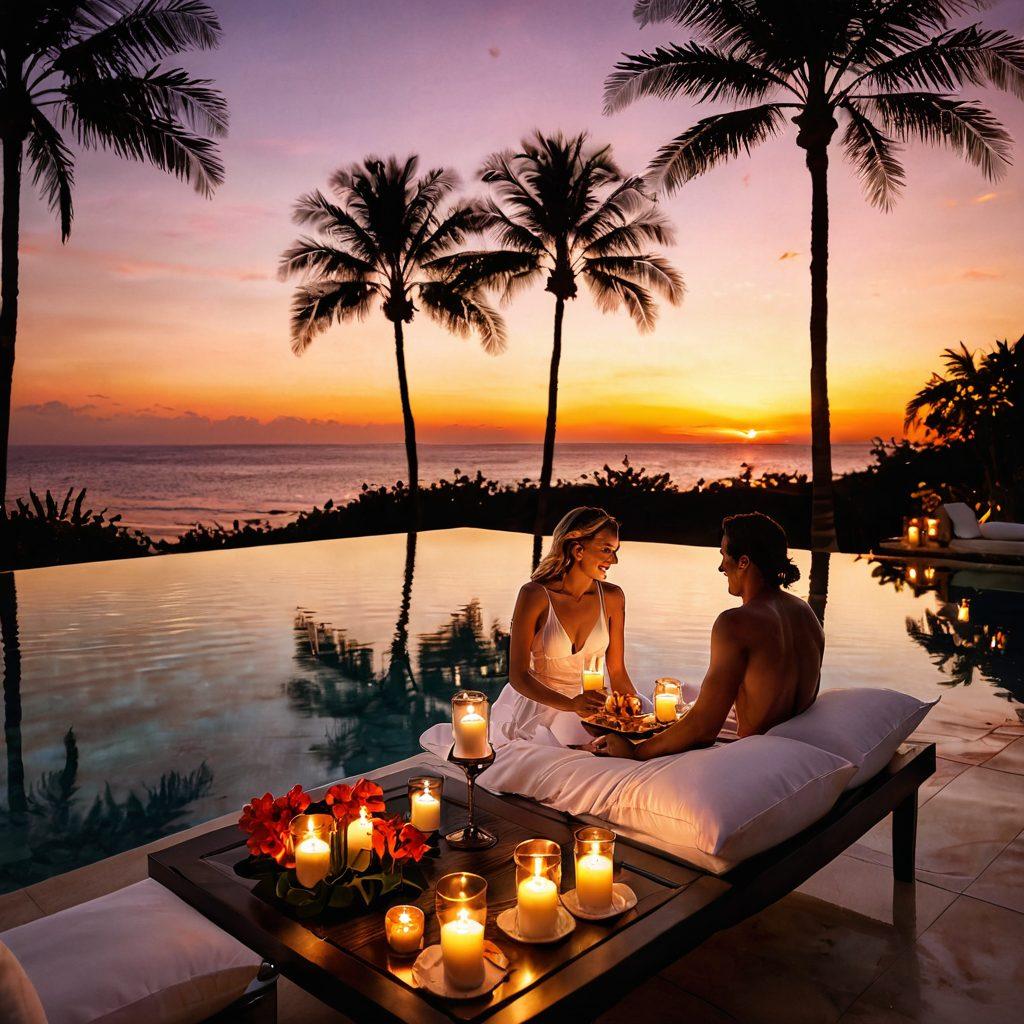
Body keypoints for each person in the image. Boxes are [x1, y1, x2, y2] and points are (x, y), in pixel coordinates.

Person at [590, 512, 823, 760]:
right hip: (794, 752)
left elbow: (704, 728)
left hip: (753, 759)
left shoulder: (736, 622)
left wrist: (636, 752)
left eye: (723, 555)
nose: (721, 566)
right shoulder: (805, 613)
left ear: (743, 562)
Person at [490, 506, 639, 748]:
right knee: (586, 748)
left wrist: (631, 714)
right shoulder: (535, 595)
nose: (613, 560)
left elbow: (618, 672)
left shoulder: (612, 597)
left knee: (640, 738)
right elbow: (518, 676)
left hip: (593, 706)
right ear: (578, 549)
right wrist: (572, 705)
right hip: (544, 707)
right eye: (606, 550)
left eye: (615, 551)